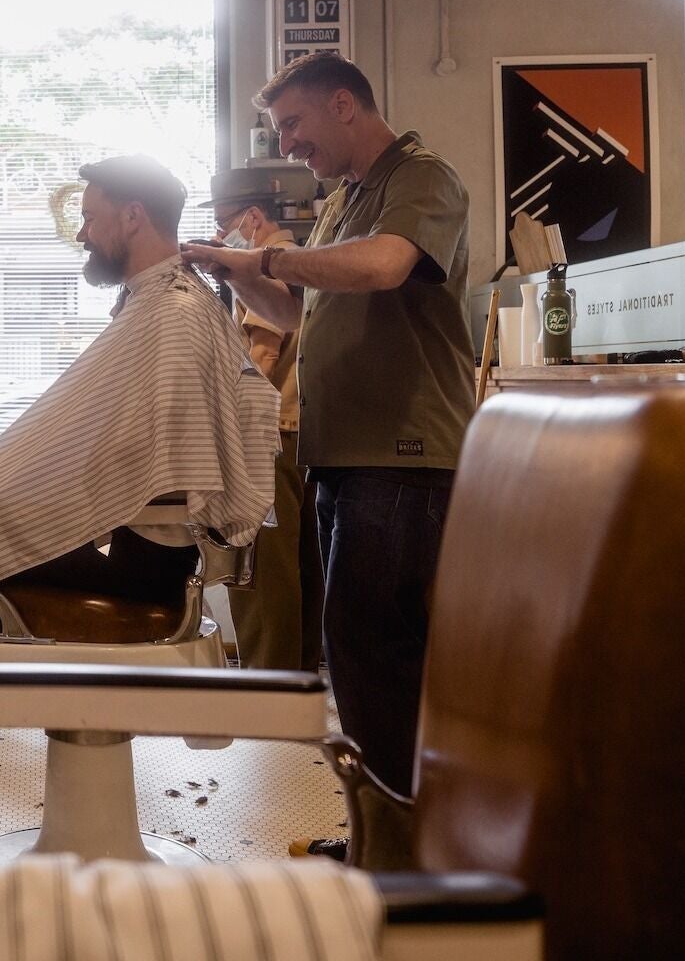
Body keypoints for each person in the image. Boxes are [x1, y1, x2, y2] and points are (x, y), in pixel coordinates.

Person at [0, 154, 280, 797]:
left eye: (91, 220)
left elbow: (130, 459)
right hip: (149, 551)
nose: (83, 234)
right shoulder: (171, 302)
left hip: (146, 570)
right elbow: (104, 443)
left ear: (132, 216)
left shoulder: (170, 316)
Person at [183, 53, 475, 858]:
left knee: (378, 657)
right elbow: (293, 307)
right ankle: (385, 833)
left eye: (295, 127)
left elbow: (383, 267)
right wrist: (230, 269)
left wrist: (266, 255)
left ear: (343, 104)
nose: (291, 147)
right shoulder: (343, 197)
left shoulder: (422, 178)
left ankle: (405, 849)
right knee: (357, 660)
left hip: (404, 454)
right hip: (343, 454)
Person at [197, 169, 324, 674]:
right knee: (299, 573)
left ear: (252, 218)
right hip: (300, 435)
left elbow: (261, 361)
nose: (221, 234)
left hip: (271, 438)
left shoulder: (267, 267)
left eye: (224, 223)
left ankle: (269, 690)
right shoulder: (299, 264)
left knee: (262, 578)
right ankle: (297, 682)